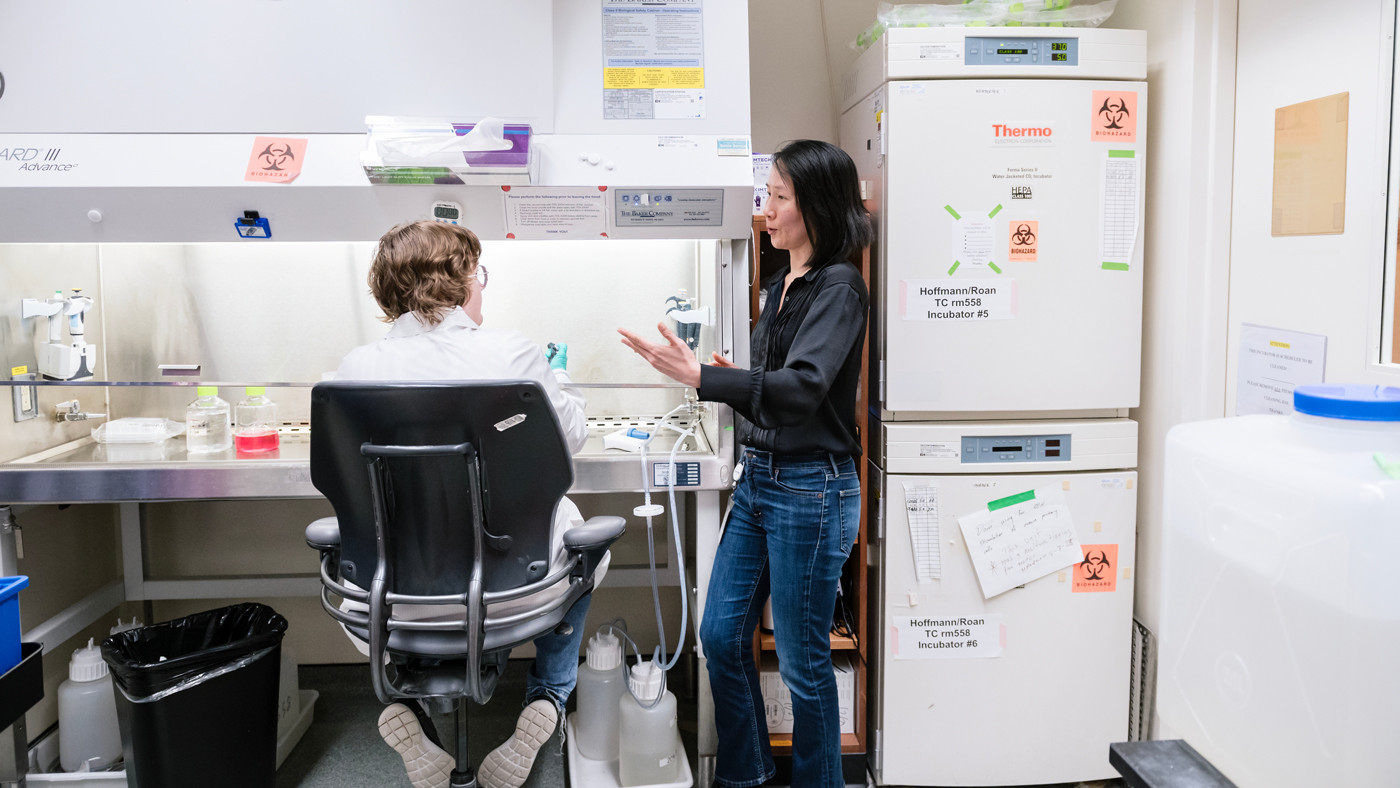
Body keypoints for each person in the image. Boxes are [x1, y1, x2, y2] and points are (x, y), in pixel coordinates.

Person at [619, 139, 871, 788]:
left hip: (811, 489)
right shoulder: (779, 284)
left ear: (816, 206)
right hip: (760, 480)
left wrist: (706, 378)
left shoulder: (840, 287)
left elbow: (803, 390)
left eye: (780, 197)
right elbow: (774, 388)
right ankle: (746, 775)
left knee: (804, 665)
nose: (768, 210)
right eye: (768, 196)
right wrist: (735, 380)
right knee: (721, 636)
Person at [335, 220, 606, 788]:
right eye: (477, 273)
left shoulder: (355, 369)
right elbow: (572, 437)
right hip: (510, 593)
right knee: (584, 552)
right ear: (458, 281)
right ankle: (549, 698)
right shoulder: (511, 354)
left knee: (393, 574)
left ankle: (407, 704)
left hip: (392, 600)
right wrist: (559, 380)